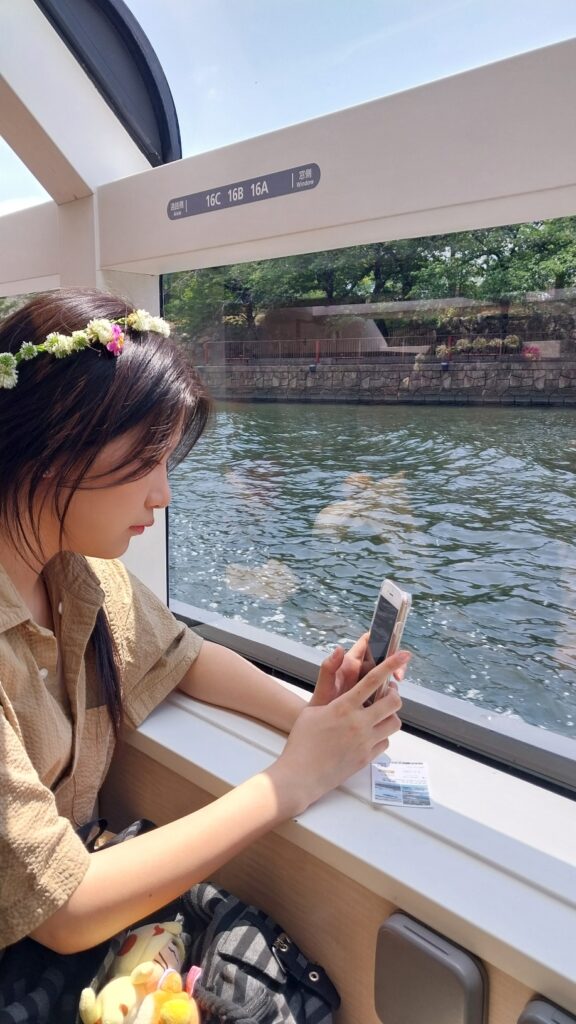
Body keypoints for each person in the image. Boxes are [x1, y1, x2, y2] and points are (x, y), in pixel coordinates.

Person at [0, 288, 409, 960]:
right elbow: (65, 911)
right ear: (57, 444)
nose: (163, 493)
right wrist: (292, 780)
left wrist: (314, 719)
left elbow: (183, 657)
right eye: (147, 462)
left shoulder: (75, 573)